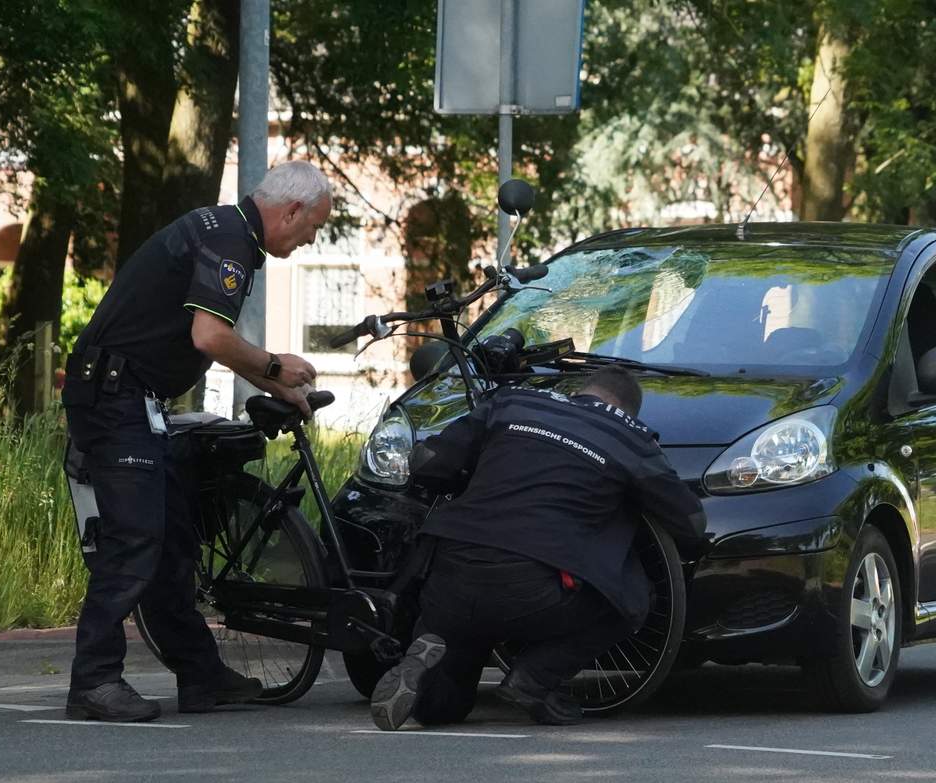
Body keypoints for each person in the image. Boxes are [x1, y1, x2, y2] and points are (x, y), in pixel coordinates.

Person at [60, 160, 333, 722]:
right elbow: (209, 334)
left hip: (131, 398)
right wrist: (276, 366)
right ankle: (93, 681)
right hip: (115, 398)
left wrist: (274, 384)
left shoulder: (224, 230)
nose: (308, 240)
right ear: (291, 211)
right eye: (311, 228)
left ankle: (202, 677)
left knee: (173, 539)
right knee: (135, 538)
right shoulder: (231, 240)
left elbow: (210, 342)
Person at [370, 366, 709, 730]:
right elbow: (691, 523)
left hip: (449, 575)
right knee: (633, 599)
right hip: (532, 588)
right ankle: (533, 678)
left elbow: (429, 463)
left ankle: (424, 661)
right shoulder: (629, 438)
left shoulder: (512, 401)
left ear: (582, 390)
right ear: (627, 410)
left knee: (445, 708)